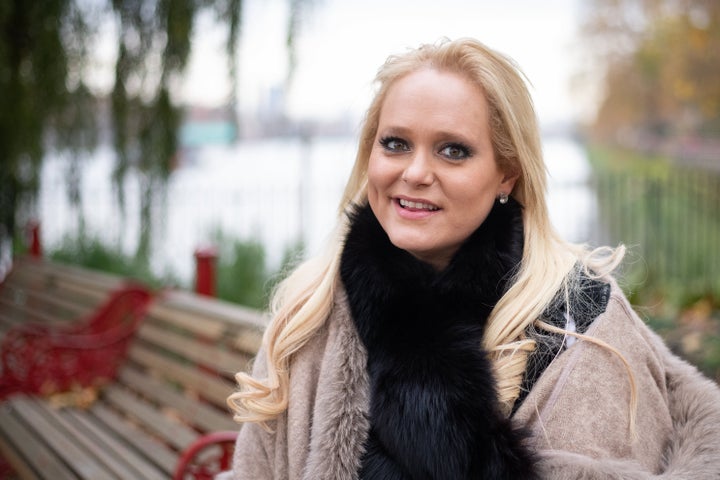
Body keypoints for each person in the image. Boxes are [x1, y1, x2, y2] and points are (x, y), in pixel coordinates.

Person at [226, 37, 720, 479]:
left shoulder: (581, 328)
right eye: (395, 143)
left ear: (507, 173)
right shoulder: (311, 305)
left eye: (453, 151)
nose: (416, 172)